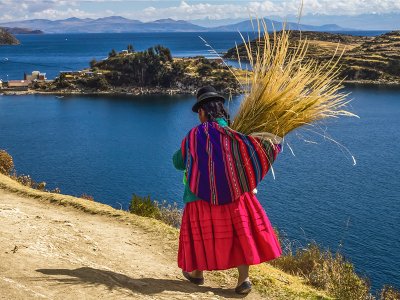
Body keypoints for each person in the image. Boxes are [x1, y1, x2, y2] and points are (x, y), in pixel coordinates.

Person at [172, 86, 282, 295]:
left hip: (199, 196)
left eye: (199, 113)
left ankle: (197, 273)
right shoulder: (237, 134)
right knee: (239, 236)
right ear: (221, 110)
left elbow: (178, 161)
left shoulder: (195, 135)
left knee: (200, 236)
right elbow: (258, 149)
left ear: (203, 112)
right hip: (236, 195)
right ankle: (243, 280)